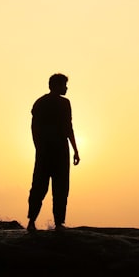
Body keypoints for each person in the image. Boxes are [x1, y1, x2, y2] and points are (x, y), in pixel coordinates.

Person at [27, 73, 80, 232]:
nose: (66, 88)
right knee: (59, 187)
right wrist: (75, 150)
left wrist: (39, 147)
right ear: (55, 86)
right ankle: (58, 223)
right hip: (57, 151)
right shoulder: (63, 103)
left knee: (40, 186)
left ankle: (32, 222)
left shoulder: (40, 102)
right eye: (64, 85)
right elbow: (68, 127)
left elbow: (34, 128)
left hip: (45, 150)